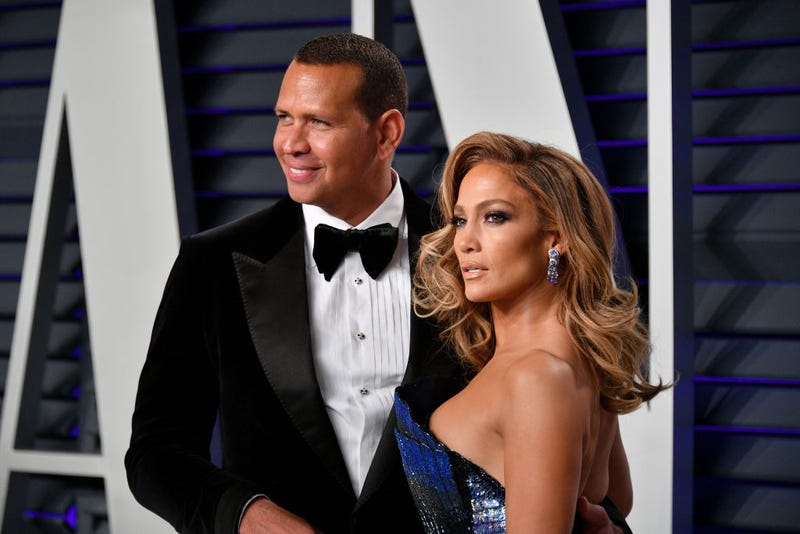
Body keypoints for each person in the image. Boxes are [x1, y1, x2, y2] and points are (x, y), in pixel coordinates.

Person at [125, 34, 630, 533]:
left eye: (318, 122)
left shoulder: (474, 257)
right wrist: (244, 514)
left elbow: (582, 480)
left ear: (387, 133)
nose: (290, 144)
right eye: (283, 118)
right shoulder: (212, 263)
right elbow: (155, 450)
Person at [395, 132, 671, 532]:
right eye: (460, 219)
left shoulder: (536, 377)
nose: (465, 241)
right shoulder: (583, 366)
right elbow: (615, 506)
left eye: (495, 217)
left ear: (555, 237)